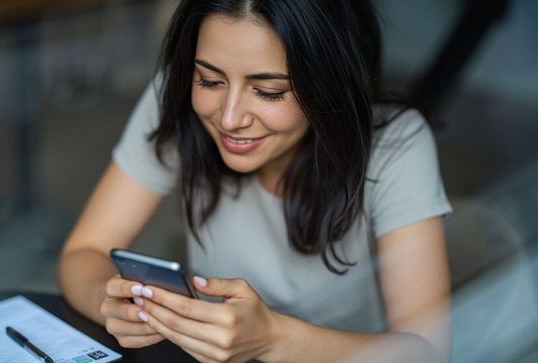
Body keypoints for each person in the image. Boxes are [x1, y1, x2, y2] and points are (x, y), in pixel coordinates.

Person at [58, 1, 453, 362]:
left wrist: (273, 339)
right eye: (209, 81)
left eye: (269, 92)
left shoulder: (396, 144)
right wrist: (110, 303)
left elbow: (427, 352)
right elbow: (83, 253)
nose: (229, 118)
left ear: (330, 83)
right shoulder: (176, 98)